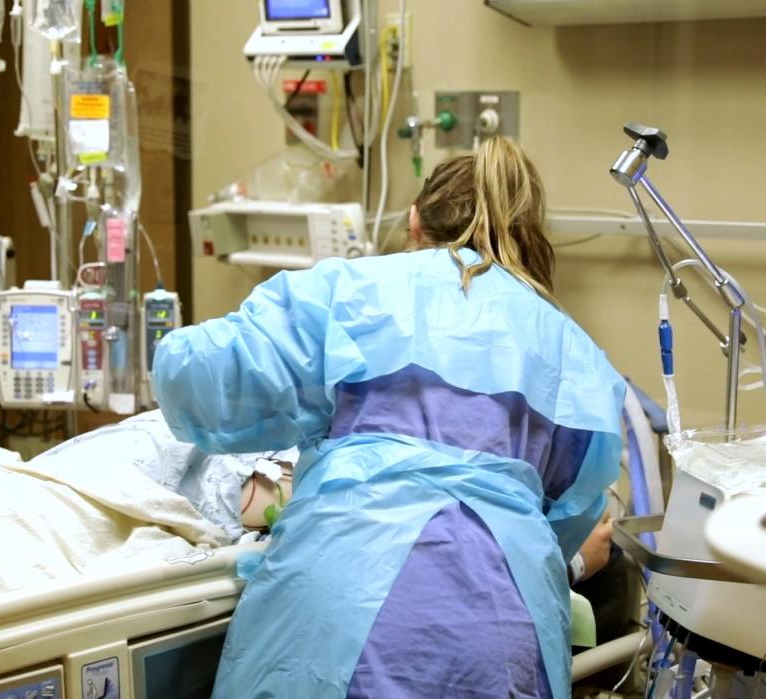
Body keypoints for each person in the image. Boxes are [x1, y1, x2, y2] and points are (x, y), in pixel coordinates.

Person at [154, 136, 626, 698]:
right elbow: (571, 515)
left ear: (414, 223)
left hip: (340, 599)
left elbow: (194, 378)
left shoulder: (349, 292)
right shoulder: (571, 351)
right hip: (502, 633)